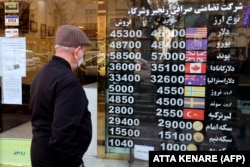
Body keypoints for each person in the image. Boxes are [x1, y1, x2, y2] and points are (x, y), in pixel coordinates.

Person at [30, 25, 92, 167]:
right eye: (84, 52)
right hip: (58, 161)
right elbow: (63, 132)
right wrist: (75, 163)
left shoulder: (42, 73)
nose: (83, 56)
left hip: (40, 153)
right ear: (77, 51)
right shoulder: (67, 81)